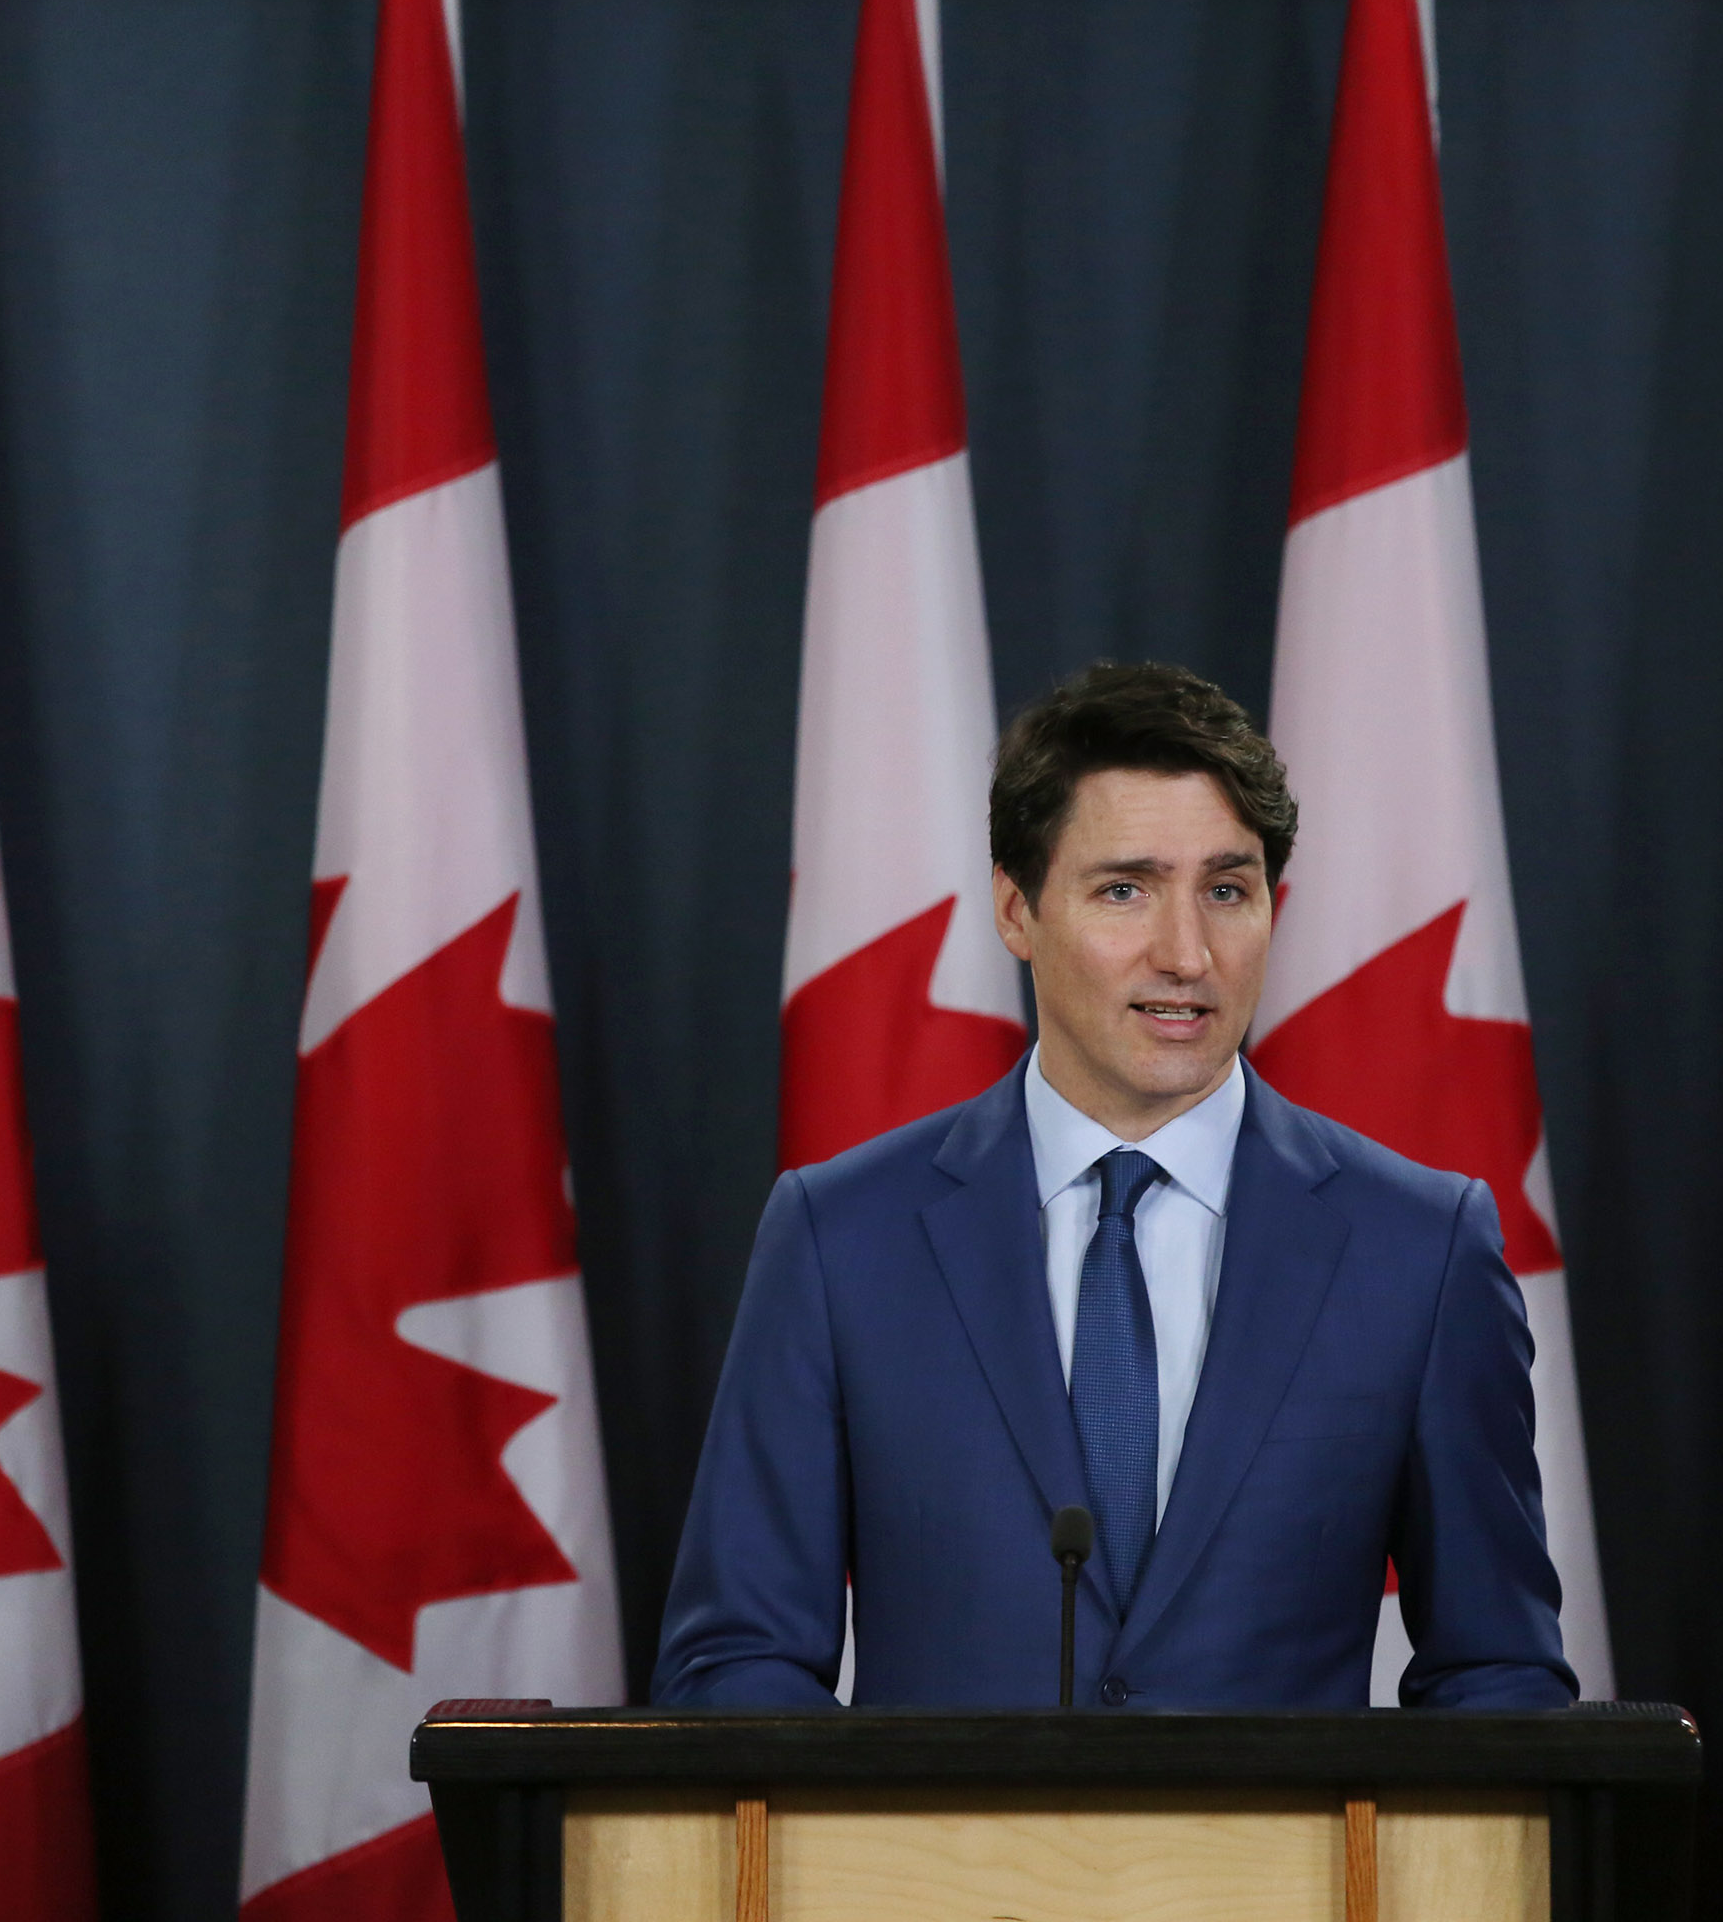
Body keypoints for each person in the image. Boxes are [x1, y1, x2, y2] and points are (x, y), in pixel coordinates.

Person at [653, 661, 1574, 1710]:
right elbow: (736, 1661)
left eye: (1226, 890)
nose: (1185, 953)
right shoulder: (840, 1236)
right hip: (936, 1878)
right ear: (1016, 909)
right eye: (1125, 889)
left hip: (1287, 1878)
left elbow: (1498, 1673)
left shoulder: (1419, 1247)